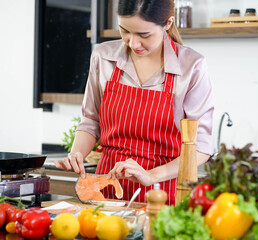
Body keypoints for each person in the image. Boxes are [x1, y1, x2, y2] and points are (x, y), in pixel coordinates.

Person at [55, 0, 214, 205]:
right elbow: (90, 121)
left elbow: (200, 148)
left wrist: (152, 176)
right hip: (106, 195)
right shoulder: (103, 57)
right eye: (125, 31)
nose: (133, 43)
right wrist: (77, 153)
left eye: (144, 35)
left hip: (161, 195)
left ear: (168, 23)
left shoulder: (192, 66)